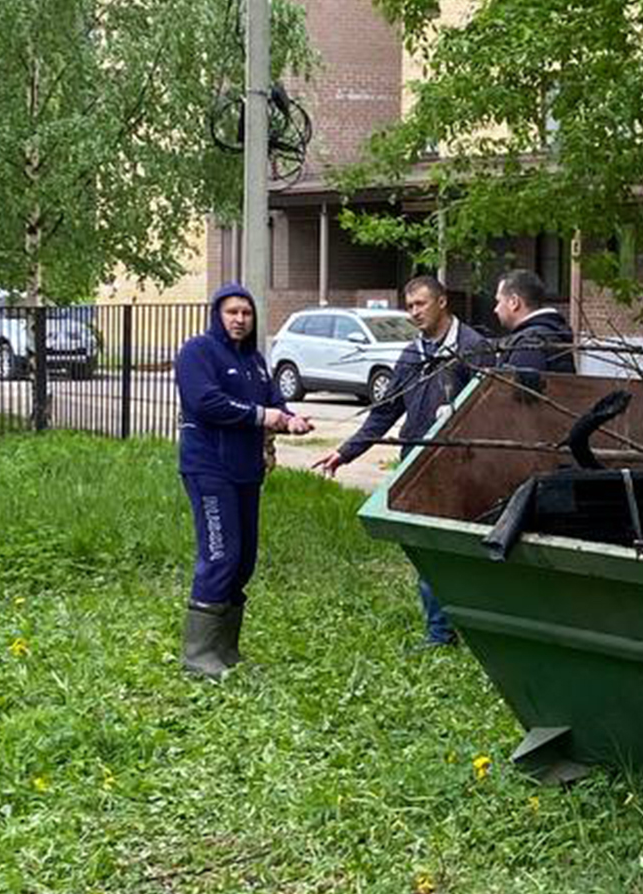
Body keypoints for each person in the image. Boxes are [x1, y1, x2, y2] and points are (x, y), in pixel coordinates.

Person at [313, 274, 491, 647]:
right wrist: (346, 452)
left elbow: (491, 408)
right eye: (409, 306)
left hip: (462, 469)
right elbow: (385, 411)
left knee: (455, 552)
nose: (414, 313)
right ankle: (440, 632)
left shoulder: (473, 348)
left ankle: (466, 629)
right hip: (417, 466)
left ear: (442, 302)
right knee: (424, 549)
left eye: (420, 304)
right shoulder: (412, 354)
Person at [174, 283, 312, 675]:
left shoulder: (255, 360)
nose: (240, 319)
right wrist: (261, 416)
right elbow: (206, 402)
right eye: (232, 312)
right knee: (220, 555)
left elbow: (272, 403)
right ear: (218, 314)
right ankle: (198, 656)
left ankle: (225, 649)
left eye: (246, 313)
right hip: (208, 469)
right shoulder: (197, 352)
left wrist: (290, 419)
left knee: (244, 560)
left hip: (246, 470)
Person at [494, 268, 575, 379]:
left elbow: (516, 393)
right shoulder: (550, 334)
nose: (496, 309)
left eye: (499, 301)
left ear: (514, 302)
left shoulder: (530, 343)